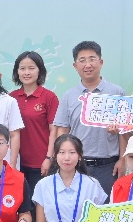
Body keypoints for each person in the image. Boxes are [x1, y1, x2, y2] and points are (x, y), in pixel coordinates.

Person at [52, 41, 126, 194]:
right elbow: (62, 131)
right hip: (77, 165)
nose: (87, 65)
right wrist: (62, 158)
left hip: (108, 166)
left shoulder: (116, 92)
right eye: (82, 60)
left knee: (106, 206)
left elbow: (123, 131)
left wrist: (122, 160)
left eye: (92, 59)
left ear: (101, 62)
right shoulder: (69, 95)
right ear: (75, 66)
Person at [10, 51, 59, 192]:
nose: (27, 72)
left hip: (41, 164)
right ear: (17, 71)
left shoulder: (49, 97)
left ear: (40, 71)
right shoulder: (11, 98)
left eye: (31, 68)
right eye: (22, 68)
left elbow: (54, 130)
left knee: (40, 202)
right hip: (16, 163)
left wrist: (49, 158)